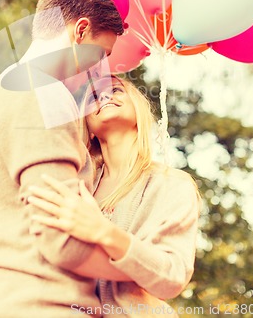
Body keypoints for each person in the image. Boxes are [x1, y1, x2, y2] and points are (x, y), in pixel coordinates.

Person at [0, 0, 125, 318]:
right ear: (80, 31)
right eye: (102, 54)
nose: (101, 70)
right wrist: (145, 270)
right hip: (42, 306)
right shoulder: (42, 90)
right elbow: (62, 241)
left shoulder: (19, 86)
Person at [27, 75, 201, 317]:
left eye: (117, 90)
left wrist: (102, 231)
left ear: (138, 110)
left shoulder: (172, 184)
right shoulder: (77, 185)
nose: (106, 96)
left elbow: (171, 276)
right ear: (86, 125)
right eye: (94, 97)